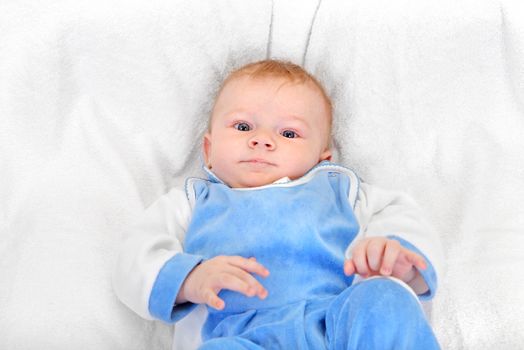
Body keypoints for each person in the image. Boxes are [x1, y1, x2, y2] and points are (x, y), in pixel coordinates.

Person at [113, 59, 443, 349]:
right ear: (209, 150)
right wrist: (189, 279)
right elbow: (135, 256)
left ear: (321, 157)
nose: (262, 139)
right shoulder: (192, 202)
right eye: (242, 126)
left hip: (334, 325)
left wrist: (396, 257)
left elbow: (401, 213)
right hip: (238, 335)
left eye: (288, 134)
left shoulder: (341, 190)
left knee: (385, 299)